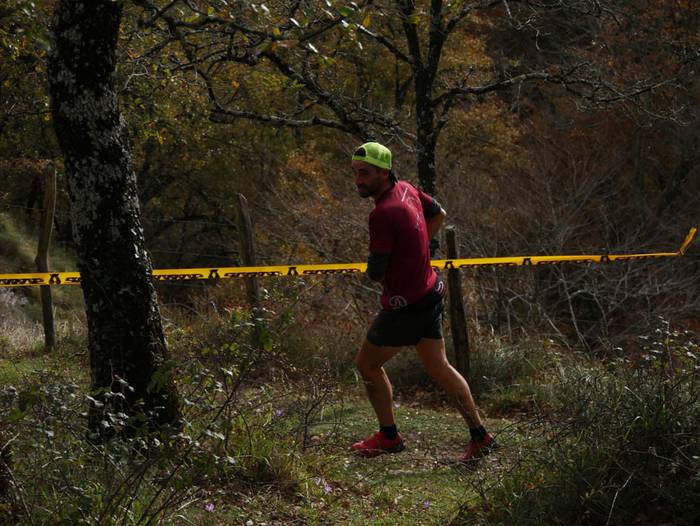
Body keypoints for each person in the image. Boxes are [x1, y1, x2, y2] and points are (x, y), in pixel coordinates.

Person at [350, 141, 496, 462]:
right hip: (430, 293)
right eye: (356, 173)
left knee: (367, 365)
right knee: (439, 366)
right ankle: (481, 436)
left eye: (365, 173)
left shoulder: (383, 214)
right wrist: (417, 252)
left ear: (384, 172)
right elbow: (439, 214)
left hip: (405, 307)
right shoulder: (406, 189)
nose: (358, 180)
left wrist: (405, 257)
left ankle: (389, 437)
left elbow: (375, 272)